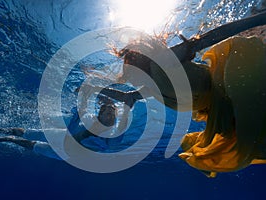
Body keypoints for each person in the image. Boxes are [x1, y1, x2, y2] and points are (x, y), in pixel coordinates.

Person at [107, 35, 266, 177]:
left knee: (251, 136)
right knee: (250, 142)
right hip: (220, 110)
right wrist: (130, 96)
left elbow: (209, 38)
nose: (127, 75)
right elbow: (145, 91)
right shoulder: (153, 88)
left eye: (128, 65)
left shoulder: (163, 63)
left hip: (230, 83)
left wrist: (257, 19)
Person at [0, 95, 130, 160]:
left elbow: (122, 123)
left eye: (113, 114)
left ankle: (9, 139)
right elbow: (76, 119)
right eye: (108, 113)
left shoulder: (114, 137)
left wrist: (128, 104)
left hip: (66, 154)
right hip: (62, 137)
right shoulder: (88, 120)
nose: (111, 117)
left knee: (33, 146)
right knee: (25, 133)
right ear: (100, 115)